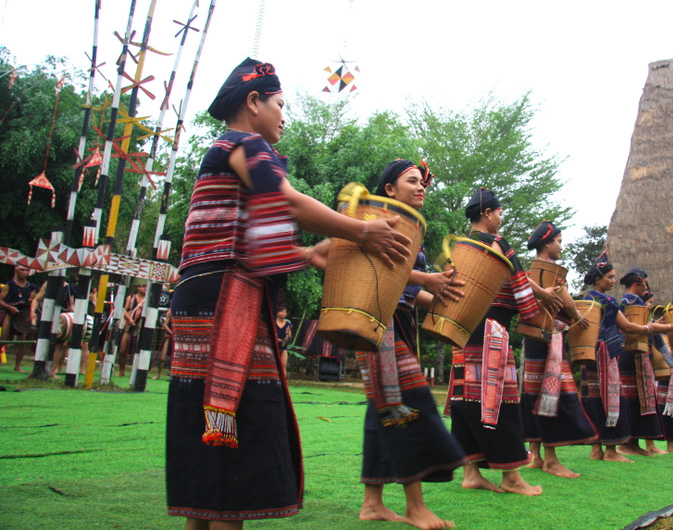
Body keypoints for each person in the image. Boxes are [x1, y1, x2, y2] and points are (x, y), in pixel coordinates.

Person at [165, 58, 411, 528]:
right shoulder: (244, 143)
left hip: (203, 295)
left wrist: (307, 254)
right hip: (225, 302)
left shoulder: (223, 150)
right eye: (280, 104)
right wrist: (361, 232)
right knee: (237, 431)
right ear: (253, 102)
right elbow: (285, 200)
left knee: (209, 430)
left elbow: (243, 238)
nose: (284, 116)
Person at [342, 159, 468, 530]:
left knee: (382, 407)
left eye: (422, 183)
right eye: (412, 181)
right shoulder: (379, 220)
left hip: (399, 319)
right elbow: (381, 268)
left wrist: (441, 292)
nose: (421, 187)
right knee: (404, 404)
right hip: (379, 320)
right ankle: (415, 506)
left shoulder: (412, 228)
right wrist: (427, 279)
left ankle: (372, 503)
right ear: (390, 190)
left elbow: (411, 292)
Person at [447, 187, 548, 496]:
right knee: (500, 401)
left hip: (462, 331)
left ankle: (471, 473)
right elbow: (520, 287)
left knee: (467, 400)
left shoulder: (459, 247)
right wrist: (533, 314)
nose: (501, 219)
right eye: (500, 213)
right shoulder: (499, 245)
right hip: (492, 332)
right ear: (488, 213)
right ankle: (511, 477)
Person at [578, 254, 673, 462]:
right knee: (611, 399)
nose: (613, 281)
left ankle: (596, 449)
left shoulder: (585, 299)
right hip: (606, 352)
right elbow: (628, 327)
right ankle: (611, 451)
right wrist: (668, 326)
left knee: (592, 398)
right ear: (599, 279)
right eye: (610, 277)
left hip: (589, 353)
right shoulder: (608, 301)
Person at [519, 221, 597, 478]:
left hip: (532, 336)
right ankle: (551, 459)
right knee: (551, 393)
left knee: (533, 392)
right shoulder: (552, 272)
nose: (561, 247)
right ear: (547, 243)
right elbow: (565, 299)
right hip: (549, 336)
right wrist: (577, 316)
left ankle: (536, 455)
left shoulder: (530, 272)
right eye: (559, 241)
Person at [1, 264, 38, 372]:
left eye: (26, 270)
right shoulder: (9, 285)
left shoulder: (31, 286)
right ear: (16, 271)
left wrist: (32, 302)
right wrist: (9, 307)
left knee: (22, 340)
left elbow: (33, 300)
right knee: (4, 339)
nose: (24, 272)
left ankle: (17, 366)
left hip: (23, 315)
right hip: (10, 313)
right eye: (22, 270)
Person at [117, 280, 146, 377]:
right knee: (122, 349)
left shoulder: (148, 299)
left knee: (139, 351)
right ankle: (121, 371)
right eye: (143, 286)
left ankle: (137, 372)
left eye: (146, 286)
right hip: (129, 325)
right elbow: (124, 310)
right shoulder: (131, 298)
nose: (145, 288)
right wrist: (129, 319)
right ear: (138, 287)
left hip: (140, 326)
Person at [274, 306, 293, 373]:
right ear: (277, 313)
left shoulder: (288, 324)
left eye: (284, 312)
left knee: (283, 366)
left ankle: (283, 378)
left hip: (283, 346)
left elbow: (290, 337)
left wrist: (288, 333)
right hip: (273, 346)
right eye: (281, 311)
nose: (283, 313)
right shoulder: (273, 322)